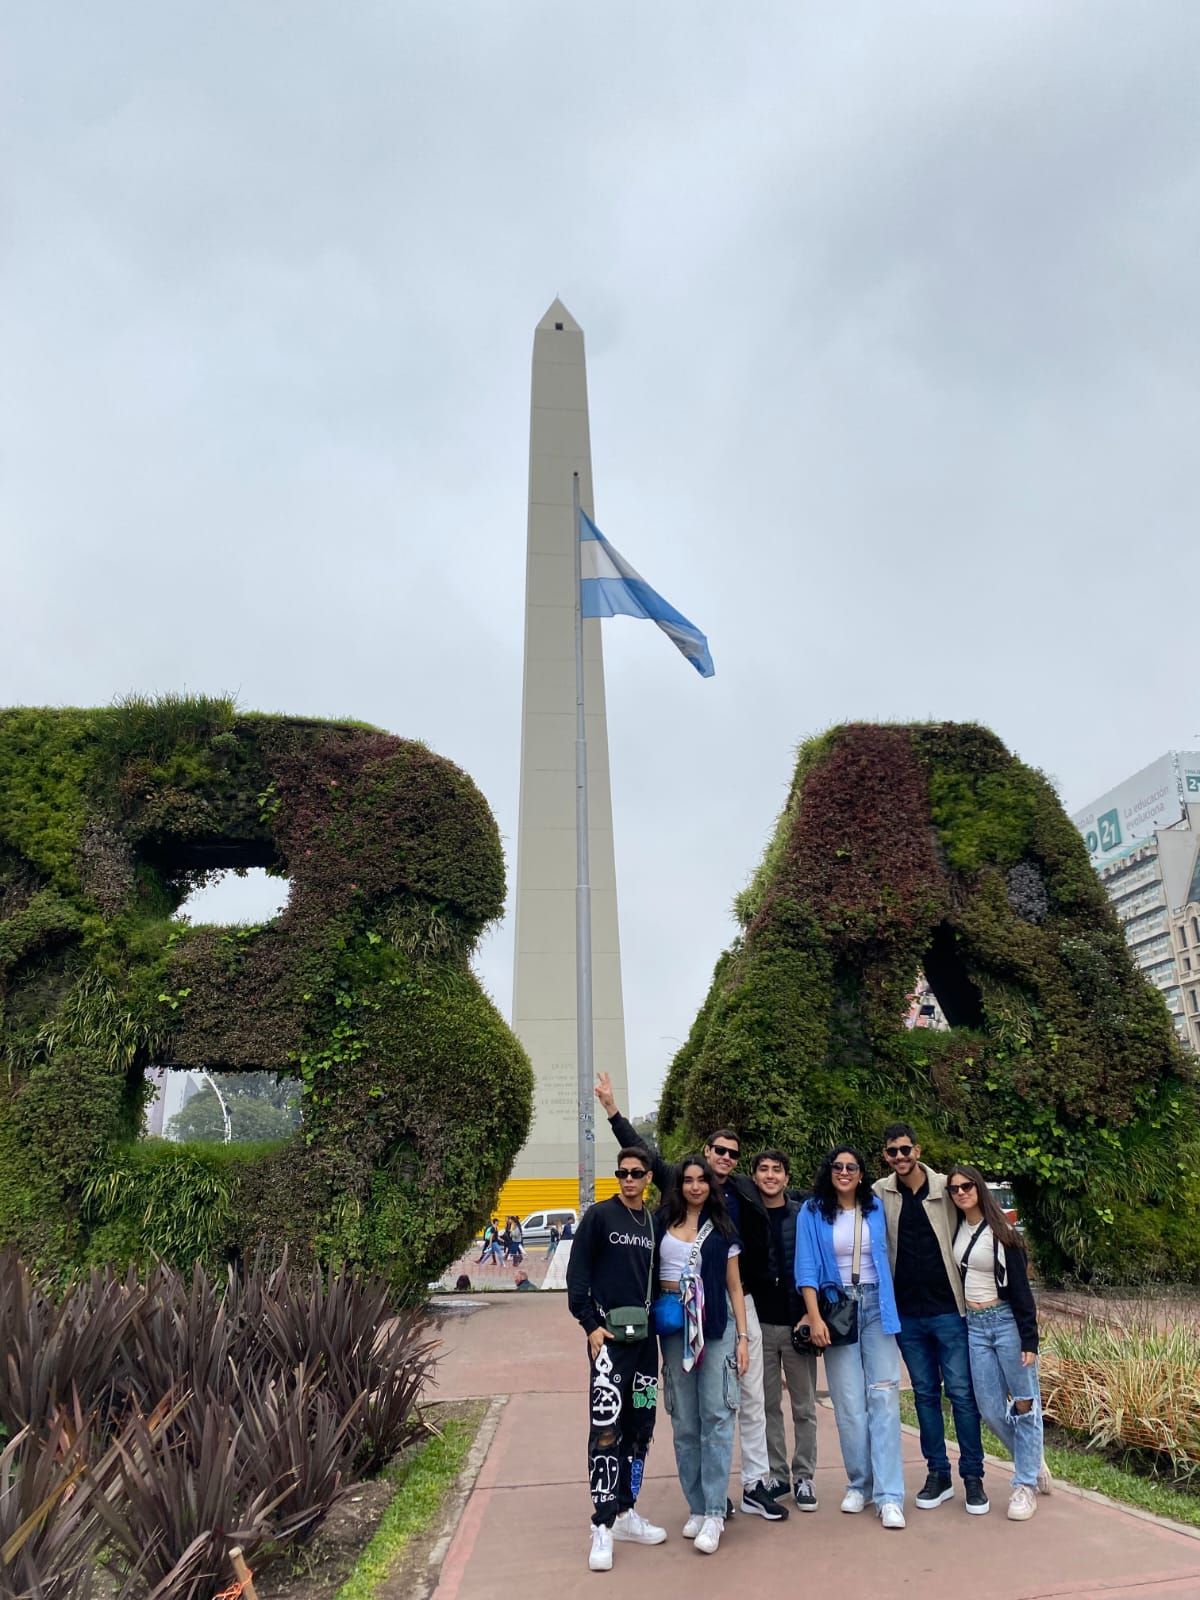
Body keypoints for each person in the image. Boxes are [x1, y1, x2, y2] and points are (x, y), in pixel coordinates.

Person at [596, 1072, 787, 1522]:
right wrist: (611, 1111)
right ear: (701, 1157)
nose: (724, 1159)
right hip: (677, 1317)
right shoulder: (675, 1190)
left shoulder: (743, 1191)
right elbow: (643, 1156)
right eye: (718, 1150)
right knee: (689, 1414)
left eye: (732, 1154)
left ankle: (754, 1483)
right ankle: (705, 1503)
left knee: (745, 1399)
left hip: (731, 1303)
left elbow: (782, 1208)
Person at [873, 1123, 989, 1516]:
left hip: (948, 1311)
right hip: (907, 1315)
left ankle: (973, 1476)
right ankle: (937, 1473)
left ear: (917, 1150)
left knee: (960, 1394)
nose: (900, 1157)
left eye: (906, 1149)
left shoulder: (946, 1188)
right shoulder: (880, 1192)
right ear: (886, 1156)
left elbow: (979, 1215)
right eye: (893, 1152)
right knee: (924, 1395)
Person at [566, 1149, 668, 1572]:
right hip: (608, 1342)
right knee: (606, 1428)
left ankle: (627, 1511)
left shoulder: (653, 1221)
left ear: (647, 1178)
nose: (629, 1180)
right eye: (622, 1173)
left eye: (636, 1174)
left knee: (641, 1425)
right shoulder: (600, 1217)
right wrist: (589, 1323)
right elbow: (578, 1275)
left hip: (645, 1343)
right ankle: (603, 1523)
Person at [796, 1145, 906, 1529]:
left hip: (877, 1305)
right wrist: (814, 1317)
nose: (844, 1172)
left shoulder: (875, 1207)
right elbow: (806, 1267)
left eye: (852, 1167)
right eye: (838, 1166)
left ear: (861, 1173)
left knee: (884, 1397)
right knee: (848, 1403)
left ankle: (890, 1495)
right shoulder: (811, 1212)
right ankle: (860, 1483)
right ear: (829, 1171)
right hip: (836, 1307)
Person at [655, 1155, 750, 1555]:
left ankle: (714, 1511)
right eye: (687, 1181)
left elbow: (733, 1286)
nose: (695, 1187)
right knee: (684, 1421)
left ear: (711, 1185)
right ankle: (696, 1505)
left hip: (714, 1327)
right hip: (675, 1326)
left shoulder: (722, 1228)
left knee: (716, 1415)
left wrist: (743, 1337)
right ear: (678, 1186)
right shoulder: (661, 1223)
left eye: (701, 1180)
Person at [948, 1163, 1052, 1521]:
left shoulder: (1002, 1231)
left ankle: (1024, 1485)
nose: (961, 1193)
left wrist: (1029, 1339)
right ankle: (1032, 1458)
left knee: (1025, 1402)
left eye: (967, 1187)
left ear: (979, 1188)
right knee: (990, 1408)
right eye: (954, 1189)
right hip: (975, 1327)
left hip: (1006, 1322)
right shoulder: (958, 1228)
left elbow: (1022, 1291)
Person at [750, 1149, 818, 1511]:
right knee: (768, 1406)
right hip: (761, 1324)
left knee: (804, 1407)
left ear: (787, 1178)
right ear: (755, 1176)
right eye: (764, 1170)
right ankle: (777, 1475)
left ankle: (805, 1476)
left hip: (797, 1324)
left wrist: (812, 1315)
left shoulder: (803, 1214)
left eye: (777, 1170)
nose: (771, 1176)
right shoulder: (748, 1213)